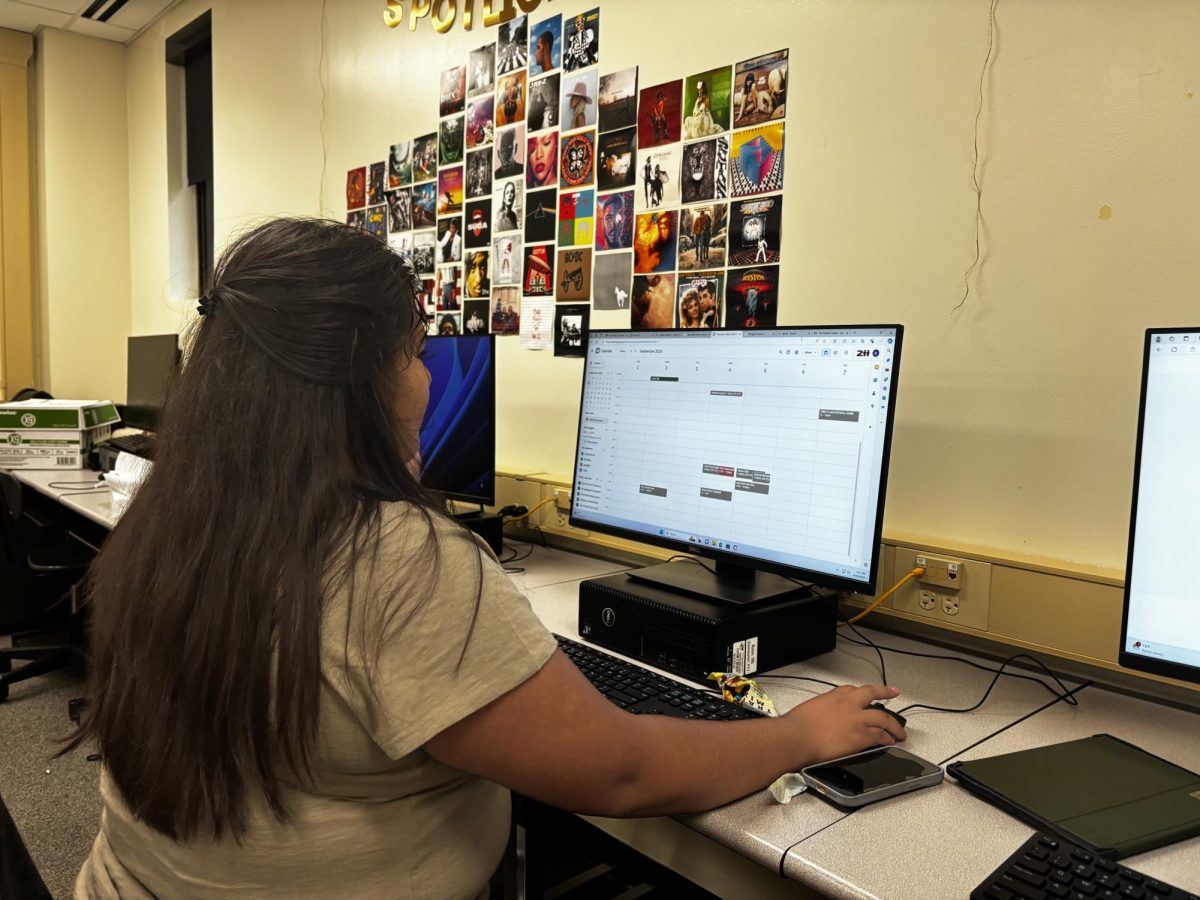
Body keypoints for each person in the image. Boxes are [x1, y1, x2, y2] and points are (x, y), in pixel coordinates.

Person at [66, 217, 905, 898]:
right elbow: (623, 773)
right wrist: (797, 734)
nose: (427, 384)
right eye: (416, 355)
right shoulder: (395, 559)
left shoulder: (172, 518)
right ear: (357, 380)